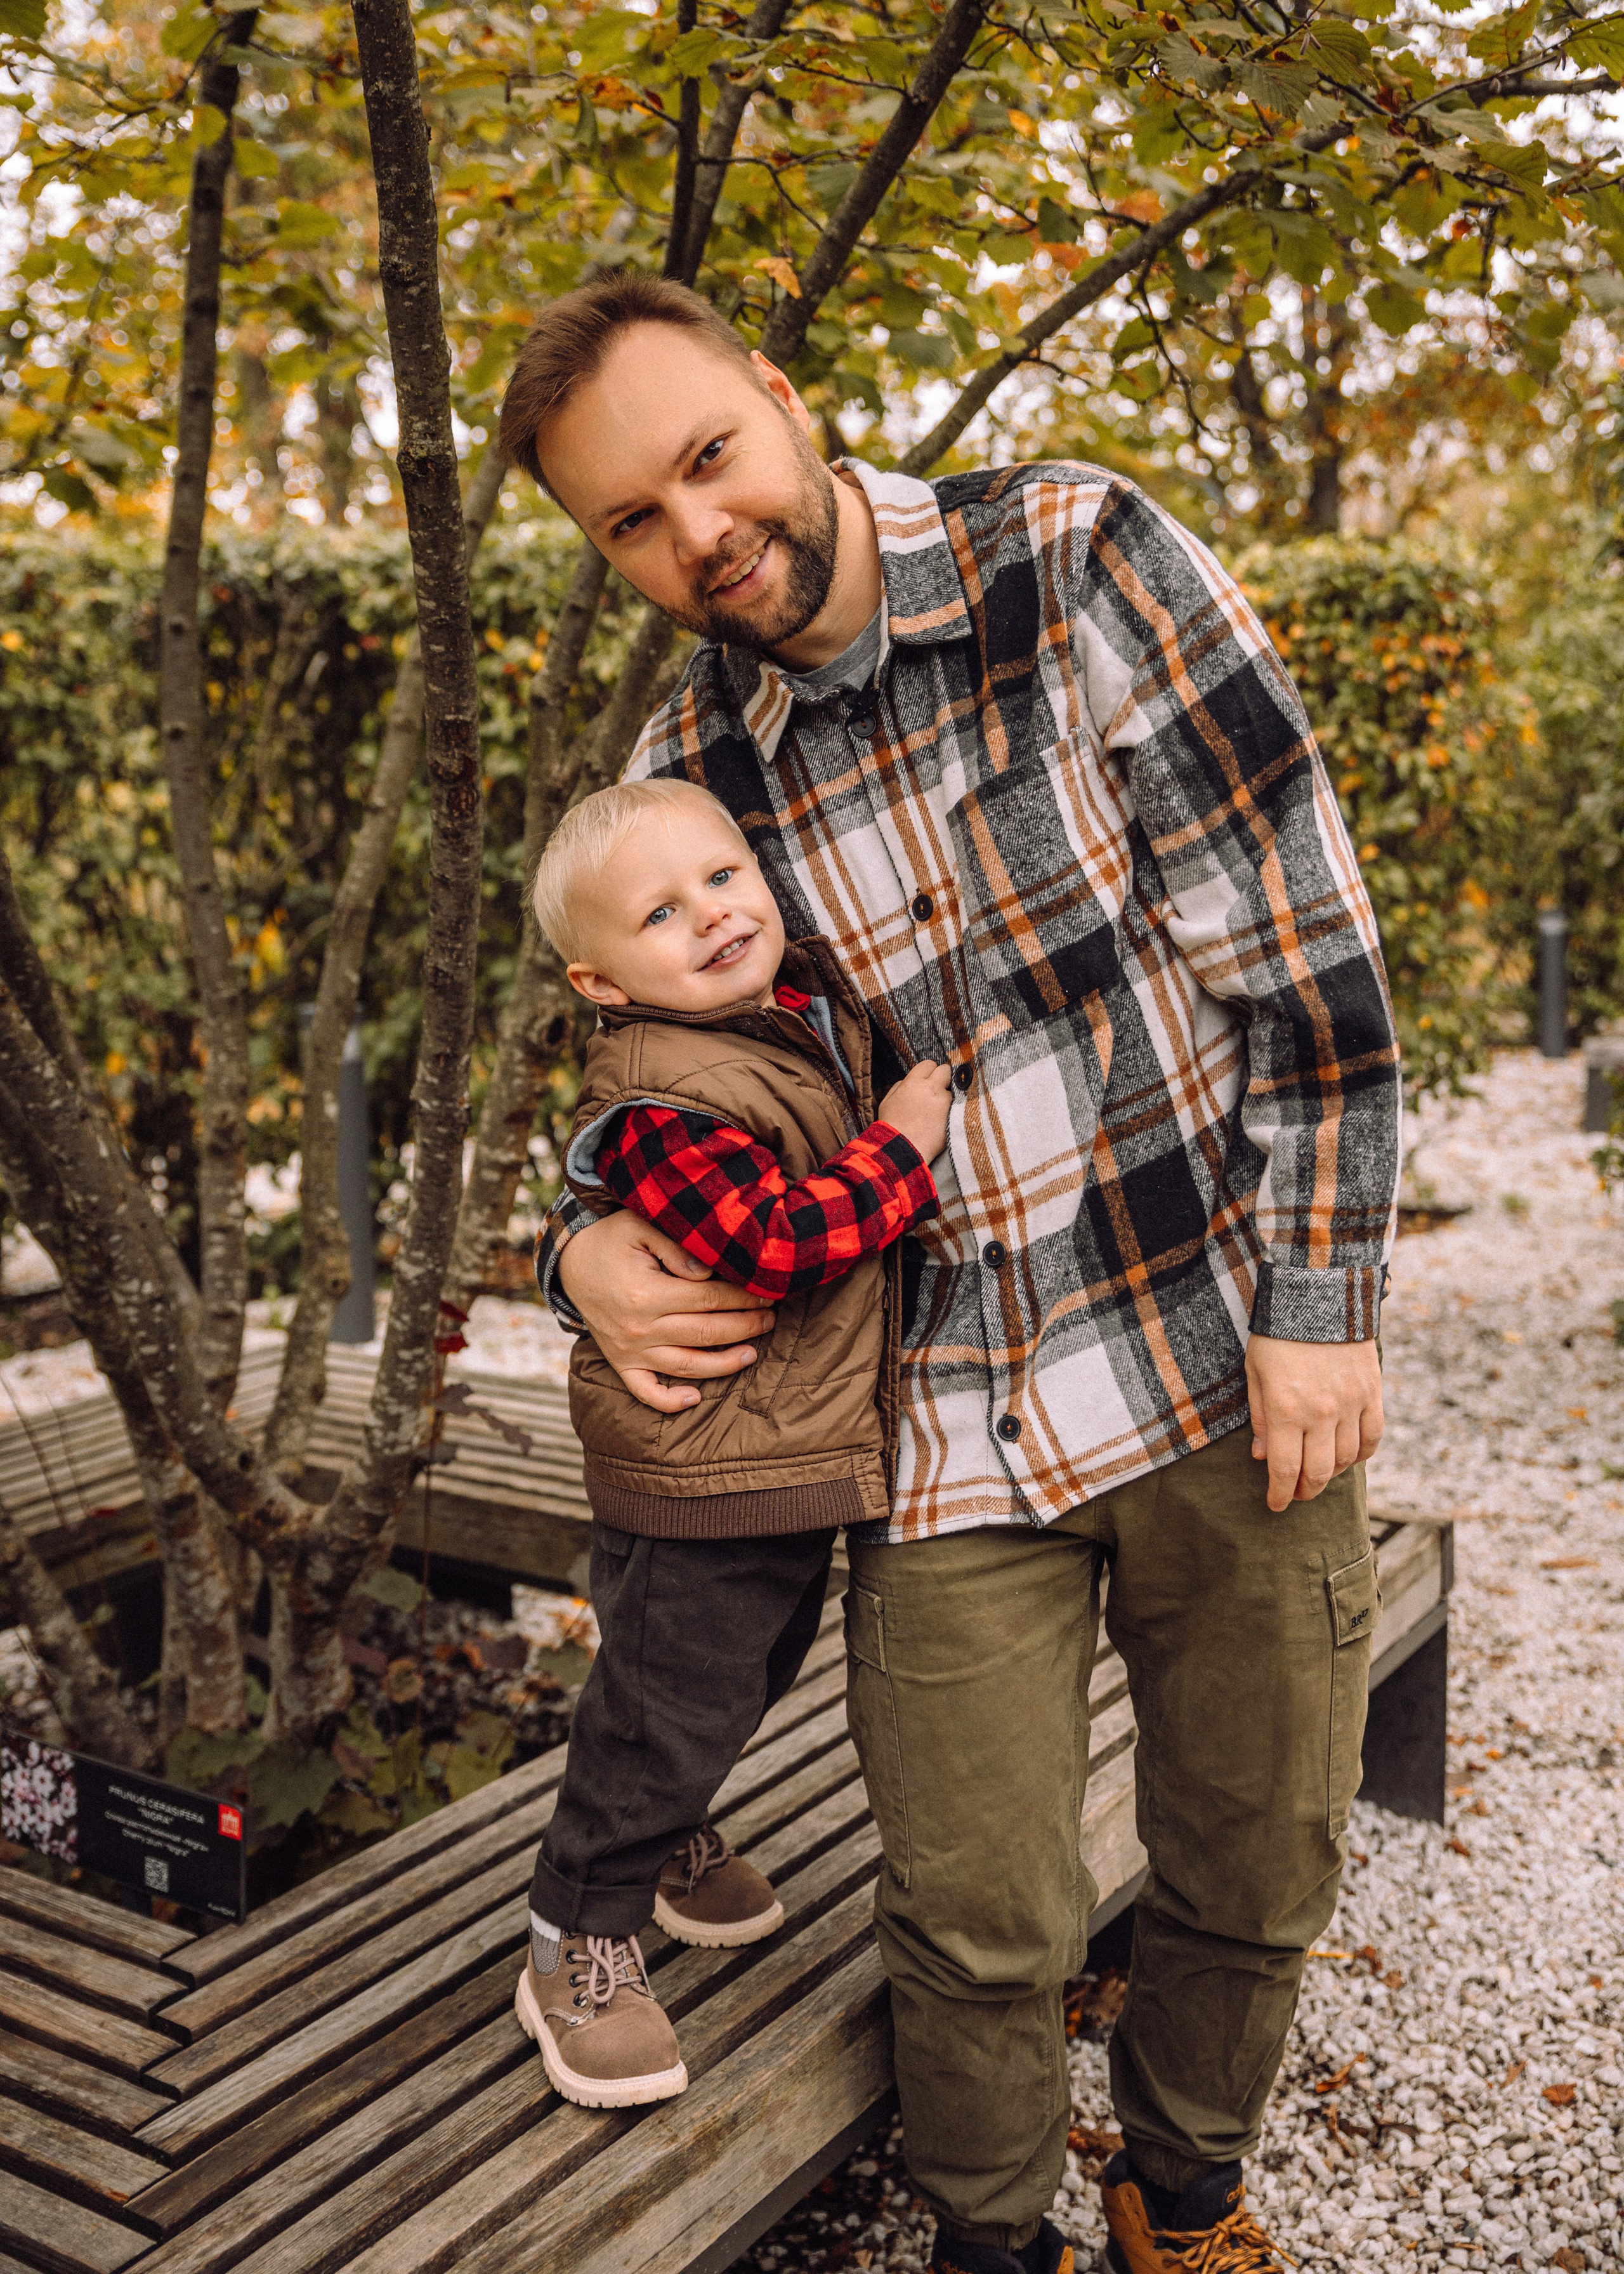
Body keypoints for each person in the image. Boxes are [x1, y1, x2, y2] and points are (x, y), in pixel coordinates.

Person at [499, 273, 1401, 2274]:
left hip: (1211, 1351)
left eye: (707, 460)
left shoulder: (1073, 563)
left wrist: (1323, 1310)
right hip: (935, 1432)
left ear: (780, 395)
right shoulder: (690, 765)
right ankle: (996, 2245)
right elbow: (626, 1076)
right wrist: (580, 1258)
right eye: (628, 522)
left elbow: (1310, 960)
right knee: (981, 1915)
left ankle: (1182, 2192)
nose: (694, 536)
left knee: (1254, 1858)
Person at [516, 772, 949, 2110]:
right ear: (602, 983)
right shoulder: (659, 1101)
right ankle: (574, 1933)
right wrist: (899, 1149)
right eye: (659, 912)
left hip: (763, 1458)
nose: (709, 915)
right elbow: (775, 1243)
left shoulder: (780, 1017)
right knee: (661, 1695)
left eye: (722, 877)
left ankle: (664, 1834)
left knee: (742, 1672)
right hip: (699, 1462)